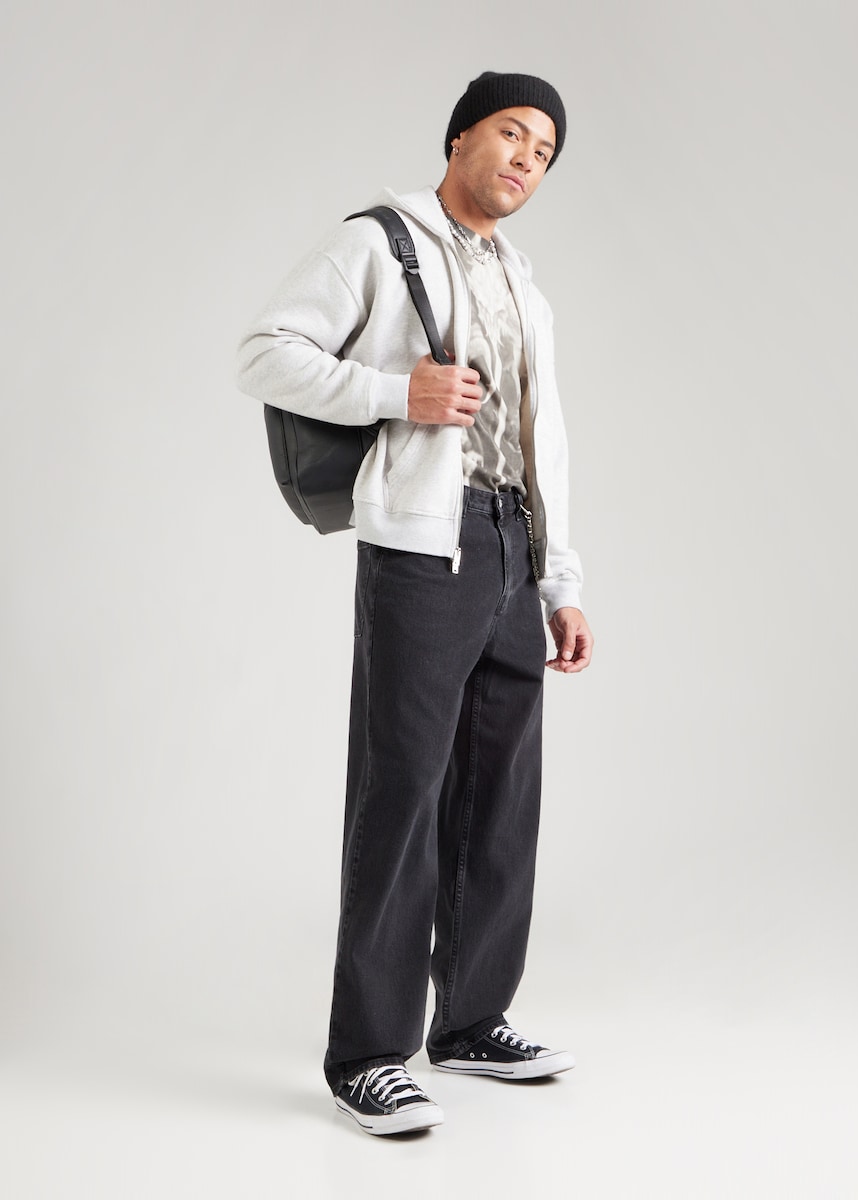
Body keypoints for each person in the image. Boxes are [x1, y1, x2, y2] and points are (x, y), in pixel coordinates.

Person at [236, 70, 593, 1137]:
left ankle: (472, 1019)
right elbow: (264, 352)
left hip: (513, 548)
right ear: (459, 137)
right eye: (511, 133)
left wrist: (562, 580)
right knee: (400, 793)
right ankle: (367, 1054)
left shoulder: (525, 288)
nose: (526, 159)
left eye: (545, 151)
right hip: (424, 549)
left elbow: (545, 441)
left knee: (501, 797)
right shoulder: (380, 240)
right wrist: (398, 394)